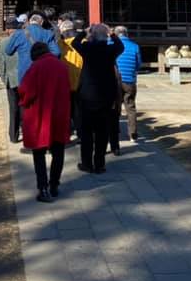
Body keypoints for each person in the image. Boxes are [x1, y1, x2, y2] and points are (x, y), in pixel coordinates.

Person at [17, 41, 71, 202]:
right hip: (59, 113)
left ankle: (43, 188)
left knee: (39, 153)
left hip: (39, 114)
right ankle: (54, 185)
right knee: (58, 151)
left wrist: (23, 101)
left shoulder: (36, 68)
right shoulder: (62, 66)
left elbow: (25, 90)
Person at [73, 23, 123, 173]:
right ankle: (99, 164)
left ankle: (87, 163)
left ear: (92, 36)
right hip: (105, 96)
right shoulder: (110, 50)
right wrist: (112, 34)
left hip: (87, 95)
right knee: (102, 132)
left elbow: (75, 43)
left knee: (87, 132)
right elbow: (120, 46)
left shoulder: (87, 48)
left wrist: (84, 32)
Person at [5, 13, 60, 84]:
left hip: (25, 72)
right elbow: (57, 52)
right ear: (42, 22)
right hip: (43, 71)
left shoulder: (18, 33)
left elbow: (8, 51)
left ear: (29, 21)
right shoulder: (48, 33)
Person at [114, 25, 142, 141]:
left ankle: (115, 131)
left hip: (116, 80)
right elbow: (138, 64)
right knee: (130, 107)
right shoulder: (135, 46)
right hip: (129, 80)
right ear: (126, 34)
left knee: (115, 107)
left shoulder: (112, 45)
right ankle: (133, 133)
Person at [58, 18, 84, 141]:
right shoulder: (83, 43)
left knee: (65, 111)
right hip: (81, 83)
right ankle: (80, 134)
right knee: (79, 112)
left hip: (64, 83)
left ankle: (66, 134)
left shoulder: (59, 45)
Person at [0, 17, 22, 142]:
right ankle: (26, 130)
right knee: (24, 106)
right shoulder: (24, 39)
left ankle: (13, 135)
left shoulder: (3, 42)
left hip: (10, 78)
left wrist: (3, 77)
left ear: (7, 29)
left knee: (13, 108)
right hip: (24, 77)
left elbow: (2, 62)